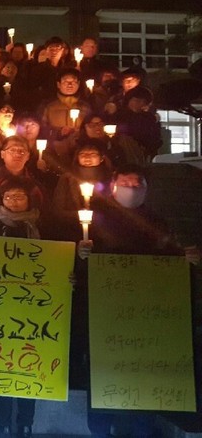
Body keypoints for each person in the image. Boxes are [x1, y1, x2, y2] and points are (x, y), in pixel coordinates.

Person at [77, 165, 200, 438]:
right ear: (113, 186)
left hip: (145, 313)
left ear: (146, 188)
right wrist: (82, 255)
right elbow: (78, 268)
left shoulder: (157, 221)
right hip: (104, 312)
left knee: (142, 369)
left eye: (137, 183)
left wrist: (185, 261)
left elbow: (168, 258)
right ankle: (100, 428)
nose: (131, 188)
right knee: (103, 370)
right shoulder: (94, 220)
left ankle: (141, 428)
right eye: (126, 182)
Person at [0, 178, 68, 438]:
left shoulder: (47, 228)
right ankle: (3, 421)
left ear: (30, 200)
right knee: (0, 361)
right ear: (1, 200)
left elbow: (61, 263)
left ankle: (26, 421)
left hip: (36, 308)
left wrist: (69, 275)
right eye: (9, 197)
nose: (14, 201)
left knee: (32, 361)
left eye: (20, 196)